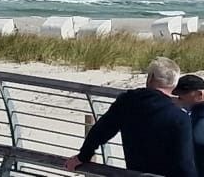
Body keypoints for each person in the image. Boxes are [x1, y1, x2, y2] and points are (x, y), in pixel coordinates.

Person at [63, 57, 196, 177]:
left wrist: (83, 156)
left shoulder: (127, 101)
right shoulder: (179, 117)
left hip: (133, 172)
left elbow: (102, 130)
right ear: (174, 84)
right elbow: (184, 162)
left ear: (150, 78)